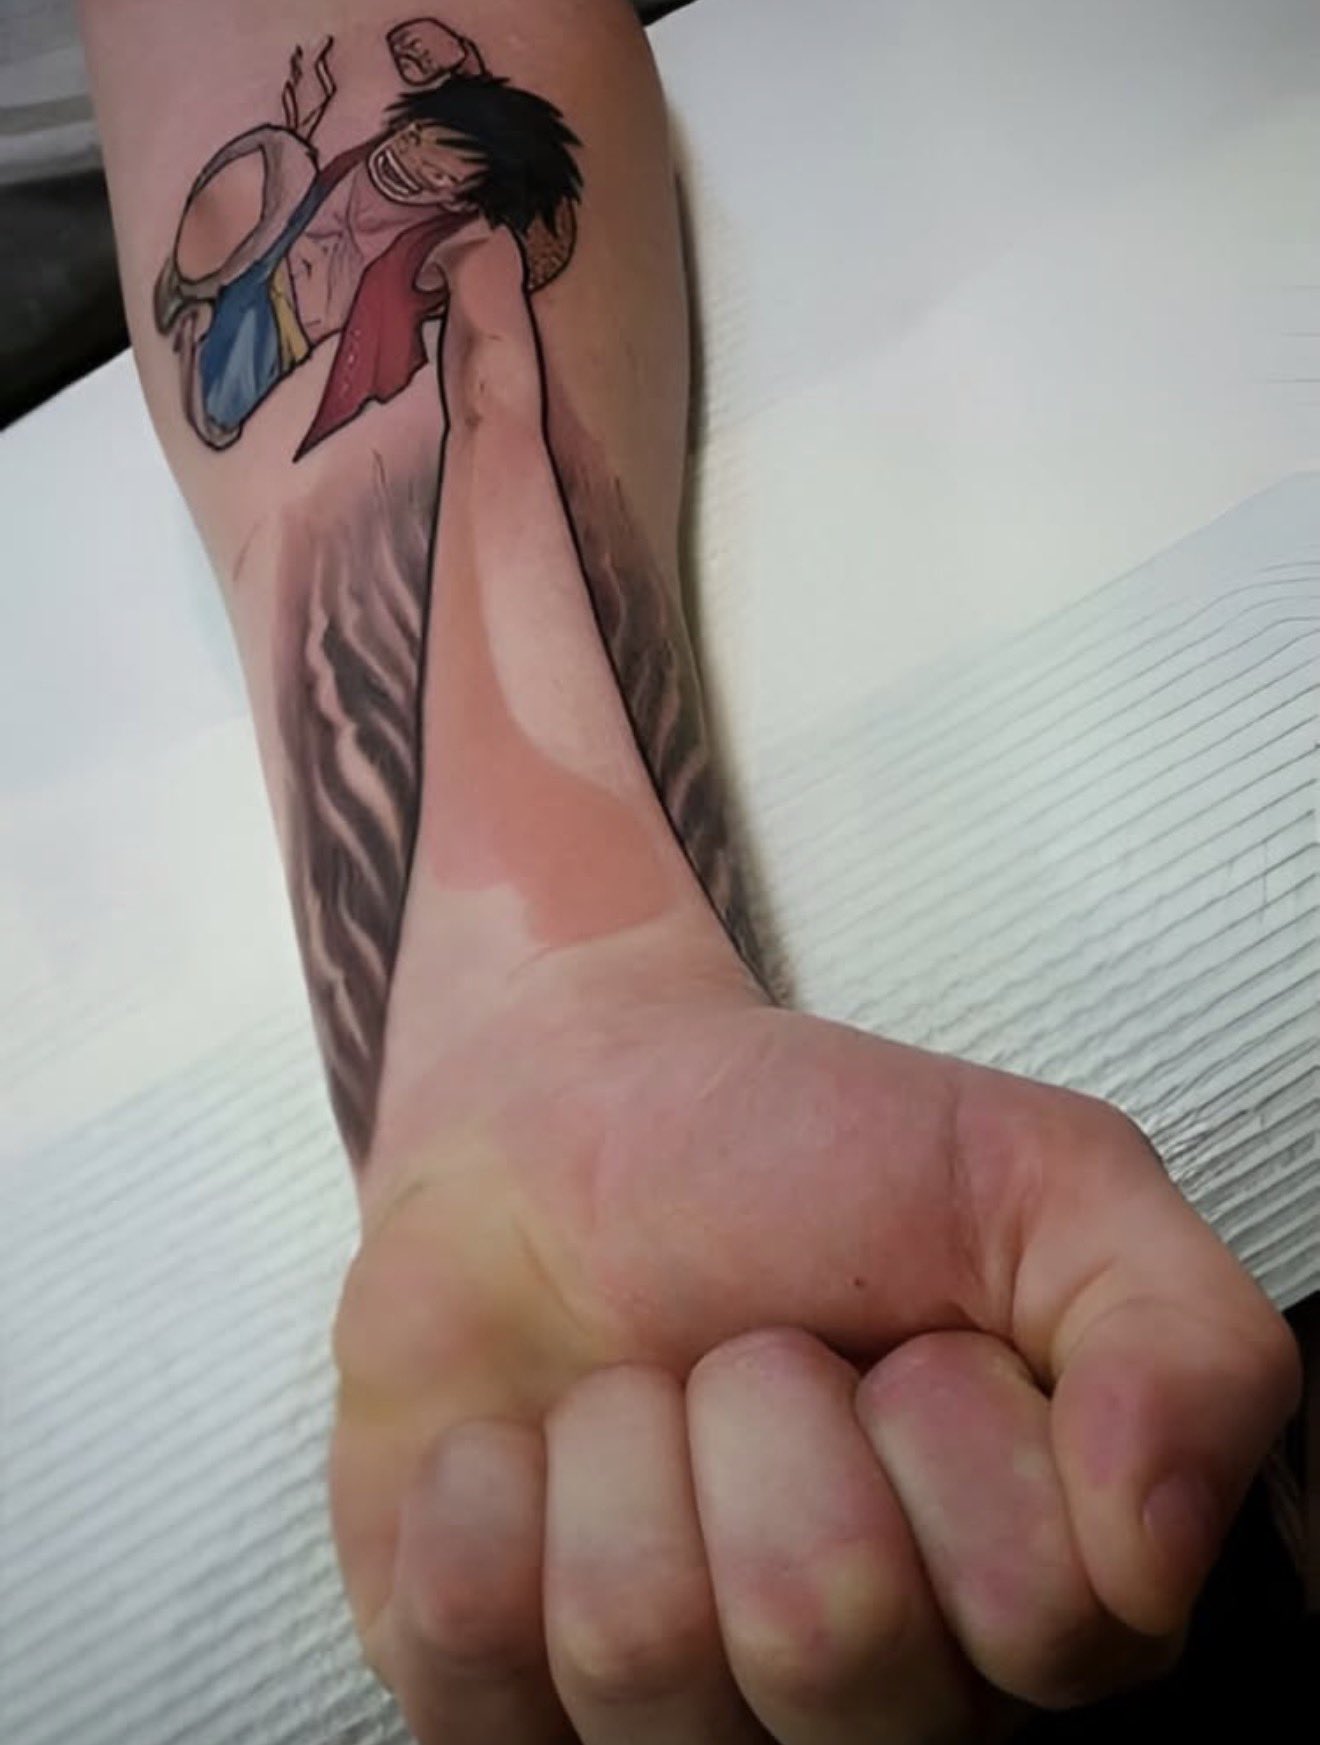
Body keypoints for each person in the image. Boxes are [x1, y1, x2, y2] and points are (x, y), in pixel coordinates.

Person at [77, 4, 1303, 1743]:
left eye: (416, 167)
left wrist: (551, 1019)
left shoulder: (454, 263)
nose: (390, 179)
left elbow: (463, 380)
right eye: (399, 163)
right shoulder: (378, 246)